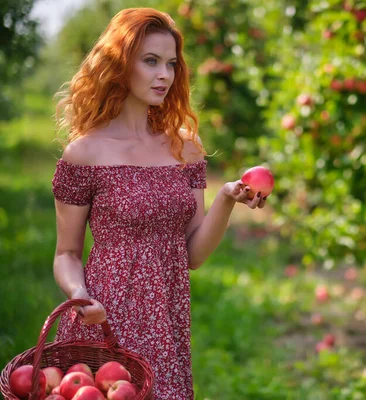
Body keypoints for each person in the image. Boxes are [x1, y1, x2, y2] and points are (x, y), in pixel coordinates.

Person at [51, 7, 267, 399]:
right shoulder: (85, 154)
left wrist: (226, 199)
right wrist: (79, 294)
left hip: (165, 323)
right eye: (150, 61)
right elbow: (66, 252)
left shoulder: (184, 148)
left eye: (170, 63)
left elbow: (193, 256)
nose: (164, 74)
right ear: (120, 64)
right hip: (104, 316)